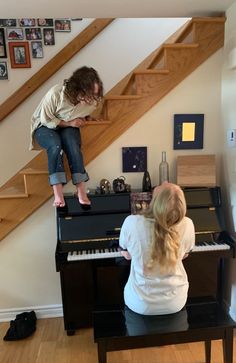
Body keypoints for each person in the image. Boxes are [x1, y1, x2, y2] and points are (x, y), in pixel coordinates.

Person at [30, 66, 103, 208]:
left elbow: (86, 112)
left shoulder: (93, 101)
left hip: (68, 126)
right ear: (78, 88)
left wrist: (87, 119)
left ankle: (81, 189)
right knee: (55, 143)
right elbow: (46, 120)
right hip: (44, 125)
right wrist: (69, 123)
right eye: (88, 94)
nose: (91, 99)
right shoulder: (56, 94)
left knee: (72, 143)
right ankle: (57, 191)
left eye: (94, 95)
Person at [119, 182, 195, 315]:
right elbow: (184, 255)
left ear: (156, 202)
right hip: (175, 301)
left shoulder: (131, 222)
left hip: (140, 303)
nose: (165, 182)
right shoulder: (188, 224)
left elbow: (126, 254)